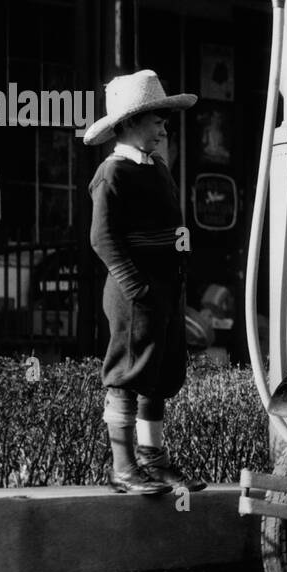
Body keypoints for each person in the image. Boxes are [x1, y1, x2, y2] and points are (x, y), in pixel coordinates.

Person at [85, 70, 206, 496]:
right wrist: (137, 287)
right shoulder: (112, 173)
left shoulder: (157, 168)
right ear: (130, 123)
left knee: (160, 372)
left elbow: (175, 228)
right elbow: (102, 238)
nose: (163, 126)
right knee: (128, 373)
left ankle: (154, 461)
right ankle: (124, 466)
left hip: (166, 290)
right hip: (134, 295)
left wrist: (180, 269)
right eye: (156, 118)